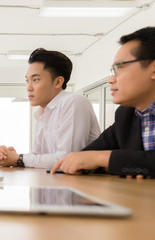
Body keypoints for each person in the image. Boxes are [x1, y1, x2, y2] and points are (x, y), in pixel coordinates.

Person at [52, 26, 155, 179]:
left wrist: (104, 159)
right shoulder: (126, 114)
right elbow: (84, 158)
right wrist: (127, 165)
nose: (110, 79)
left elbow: (98, 157)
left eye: (119, 68)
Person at [0, 48, 100, 169]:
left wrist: (19, 158)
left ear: (58, 82)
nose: (29, 87)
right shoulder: (42, 112)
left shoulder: (73, 102)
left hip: (83, 184)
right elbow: (38, 155)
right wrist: (12, 156)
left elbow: (66, 159)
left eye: (35, 80)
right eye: (27, 80)